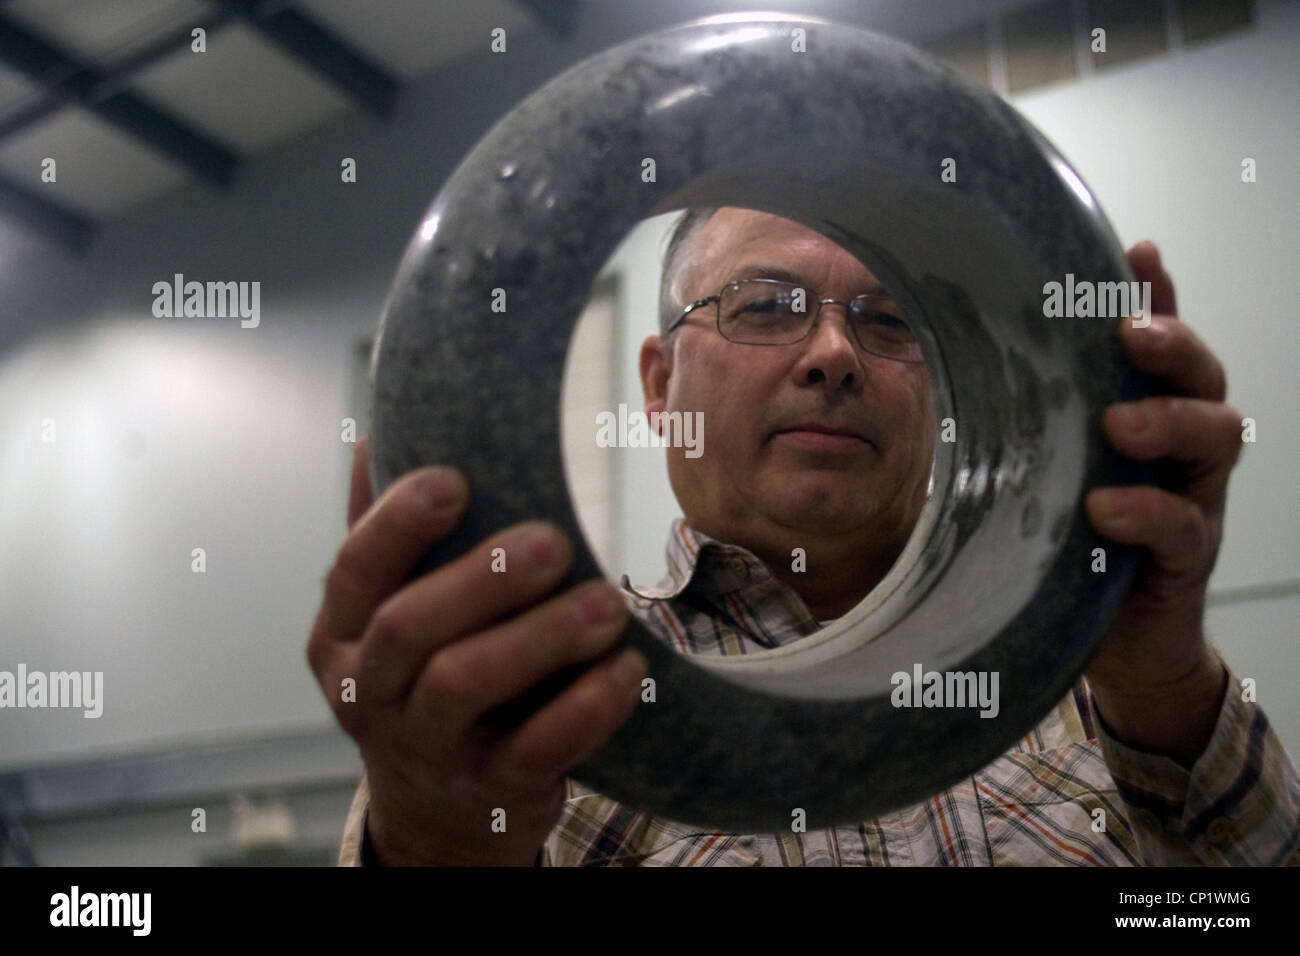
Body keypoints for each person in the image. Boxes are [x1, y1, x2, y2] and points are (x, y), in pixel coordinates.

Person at [309, 207, 1300, 866]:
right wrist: (433, 821)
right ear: (659, 388)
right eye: (766, 307)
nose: (832, 354)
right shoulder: (542, 700)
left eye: (885, 321)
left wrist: (1161, 674)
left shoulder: (1079, 682)